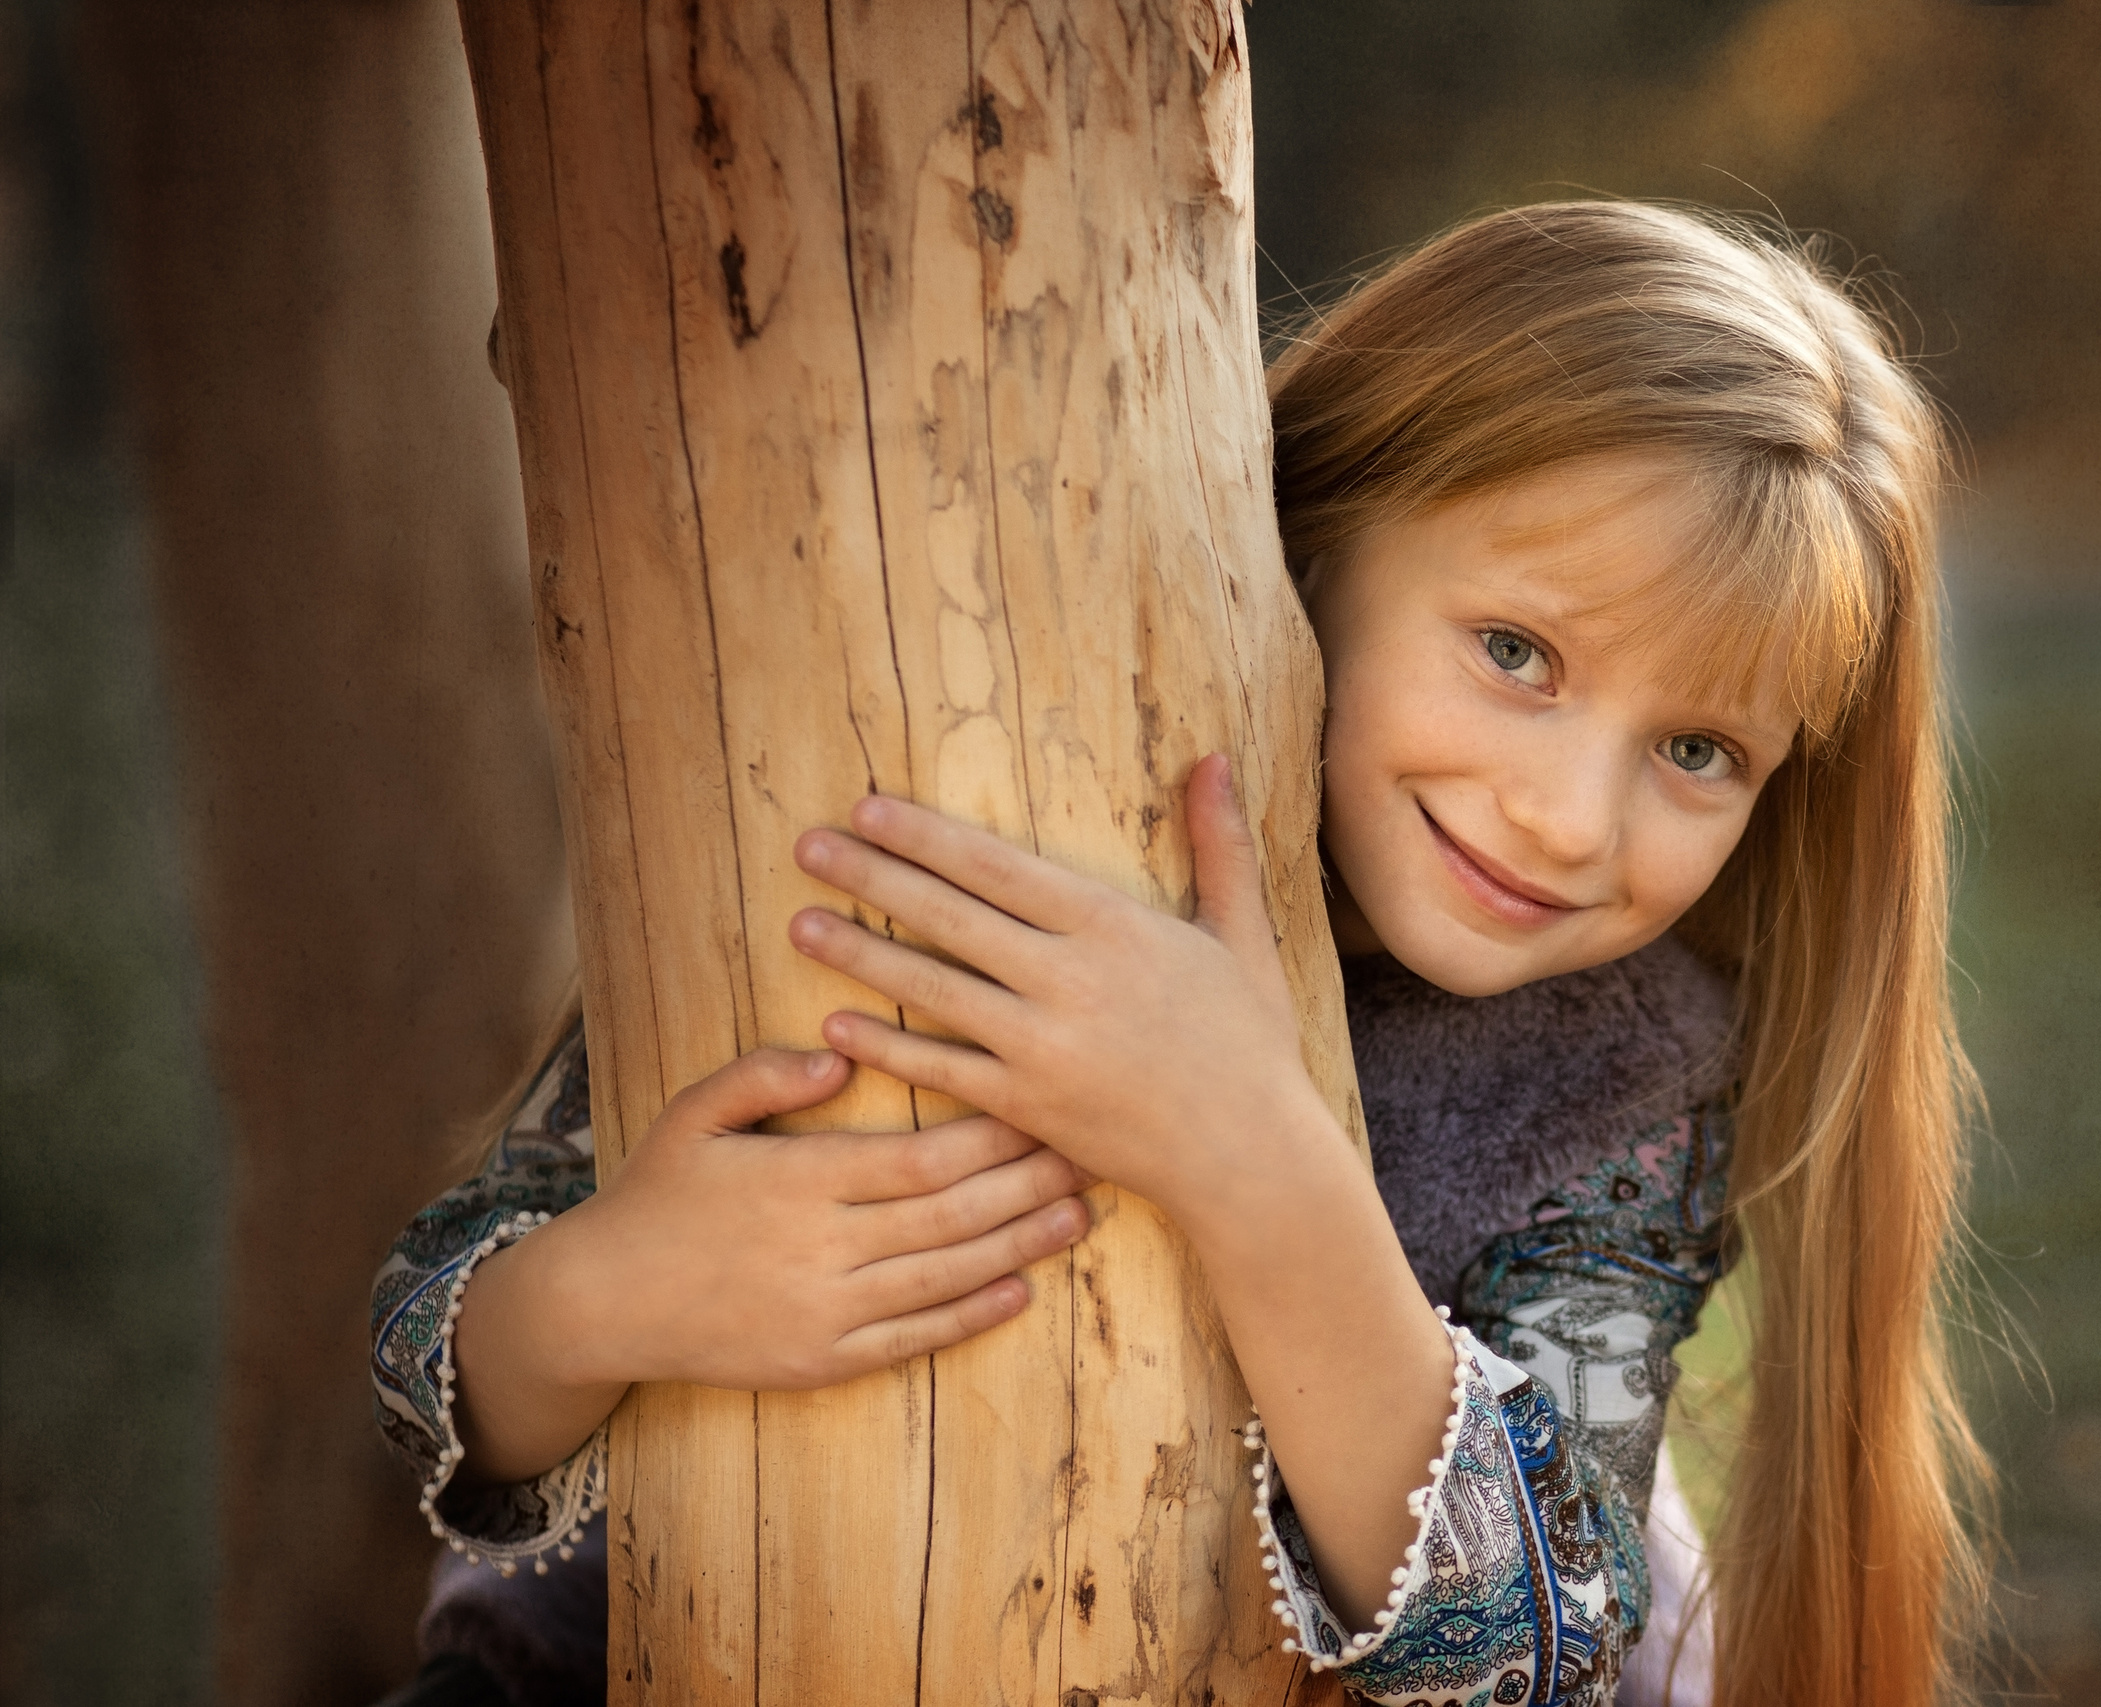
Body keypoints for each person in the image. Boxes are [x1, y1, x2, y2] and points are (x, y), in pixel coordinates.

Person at [370, 200, 1987, 1707]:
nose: (1571, 821)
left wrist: (1251, 1156)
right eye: (1518, 652)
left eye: (1699, 749)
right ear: (1314, 535)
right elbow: (429, 1348)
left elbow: (1547, 1640)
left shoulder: (1619, 1063)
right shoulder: (958, 777)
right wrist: (604, 1299)